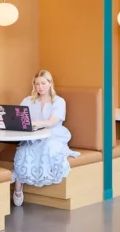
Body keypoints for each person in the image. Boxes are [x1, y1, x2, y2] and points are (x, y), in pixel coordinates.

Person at [11, 70, 79, 206]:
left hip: (53, 135)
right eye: (37, 84)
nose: (40, 87)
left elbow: (52, 122)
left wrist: (32, 122)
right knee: (23, 150)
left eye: (43, 83)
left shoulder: (59, 102)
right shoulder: (28, 101)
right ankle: (18, 187)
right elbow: (18, 119)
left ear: (50, 83)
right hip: (33, 136)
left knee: (48, 147)